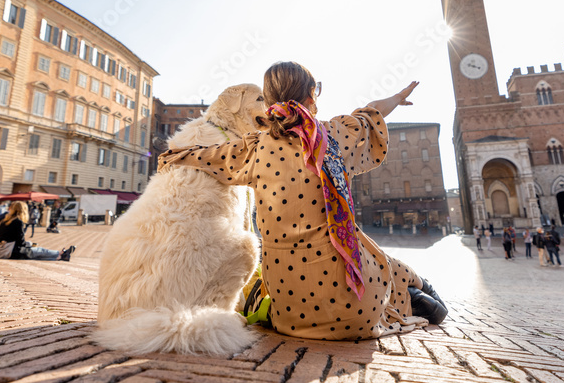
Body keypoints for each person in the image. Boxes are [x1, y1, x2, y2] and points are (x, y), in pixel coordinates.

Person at [159, 61, 446, 337]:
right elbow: (370, 115)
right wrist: (397, 97)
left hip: (289, 314)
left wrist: (170, 156)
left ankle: (414, 293)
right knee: (385, 265)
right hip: (359, 312)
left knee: (266, 283)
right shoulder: (334, 135)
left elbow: (201, 156)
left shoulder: (253, 150)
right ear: (310, 95)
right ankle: (416, 290)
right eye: (316, 89)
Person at [0, 201, 74, 261]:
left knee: (36, 253)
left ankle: (60, 255)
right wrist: (29, 244)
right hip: (11, 251)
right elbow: (20, 242)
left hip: (0, 249)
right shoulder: (18, 222)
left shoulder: (5, 220)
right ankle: (60, 254)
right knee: (38, 251)